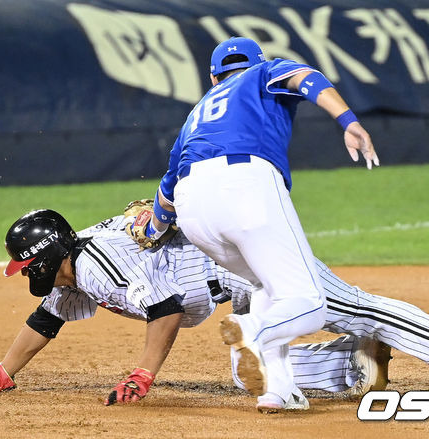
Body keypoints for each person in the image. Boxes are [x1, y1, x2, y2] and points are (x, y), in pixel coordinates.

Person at [0, 209, 429, 412]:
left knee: (353, 307)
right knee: (250, 369)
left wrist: (145, 372)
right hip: (233, 278)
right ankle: (354, 366)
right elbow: (46, 319)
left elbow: (164, 308)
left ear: (44, 257)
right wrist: (1, 376)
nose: (26, 275)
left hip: (244, 261)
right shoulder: (73, 268)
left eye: (24, 264)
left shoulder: (90, 263)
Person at [137, 36, 380, 411]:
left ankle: (277, 389)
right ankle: (253, 331)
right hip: (245, 185)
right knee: (309, 303)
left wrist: (153, 229)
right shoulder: (263, 72)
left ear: (214, 78)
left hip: (192, 206)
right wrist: (347, 120)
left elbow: (167, 188)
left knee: (266, 287)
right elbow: (306, 77)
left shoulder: (196, 113)